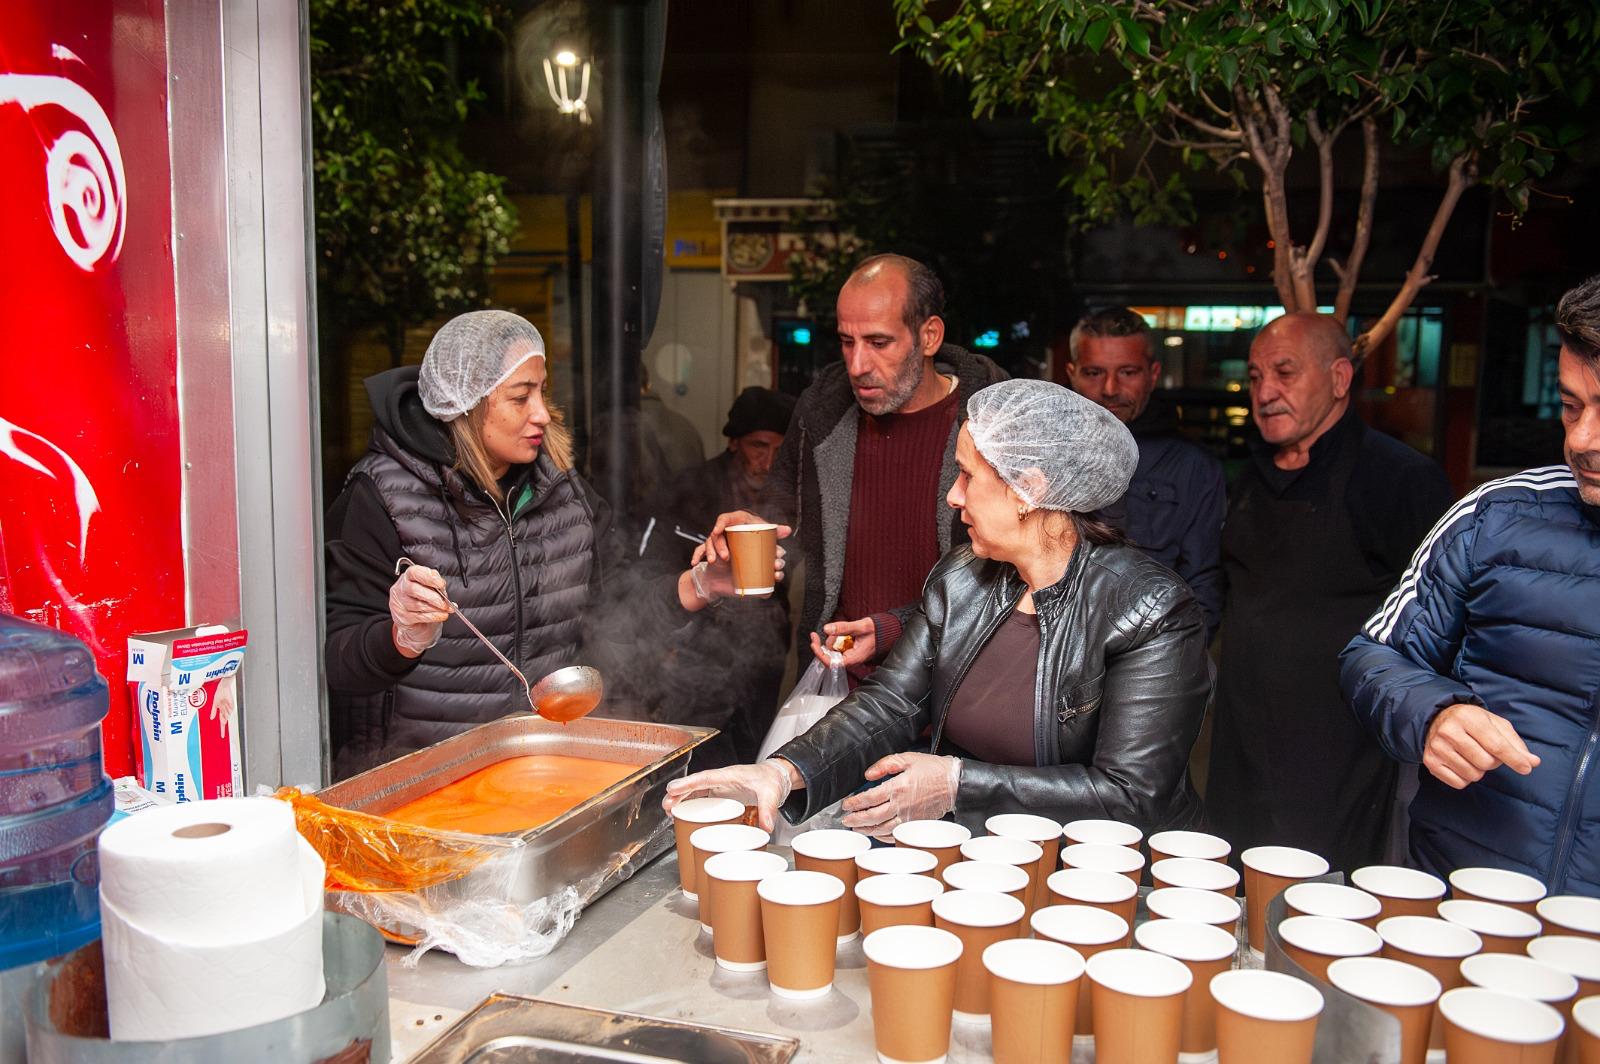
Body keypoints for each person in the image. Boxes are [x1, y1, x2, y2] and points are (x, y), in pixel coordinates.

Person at [663, 379, 1213, 837]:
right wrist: (784, 772)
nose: (954, 495)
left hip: (1093, 879)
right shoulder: (961, 577)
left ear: (1028, 489)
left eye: (968, 475)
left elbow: (1132, 795)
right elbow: (888, 704)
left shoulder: (1149, 609)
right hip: (972, 859)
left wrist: (956, 784)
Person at [323, 311, 769, 776]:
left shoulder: (564, 491)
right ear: (465, 404)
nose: (541, 413)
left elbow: (619, 608)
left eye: (542, 391)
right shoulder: (381, 497)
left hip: (541, 765)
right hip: (425, 776)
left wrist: (701, 584)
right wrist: (401, 637)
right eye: (521, 397)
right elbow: (335, 662)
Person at [1341, 276, 1600, 893]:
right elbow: (1374, 656)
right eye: (1571, 406)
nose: (1582, 439)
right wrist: (1433, 712)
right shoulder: (1495, 517)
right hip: (1465, 898)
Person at [1205, 312, 1454, 873]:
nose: (1264, 393)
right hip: (1242, 736)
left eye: (1285, 373)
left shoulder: (1398, 477)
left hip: (1340, 747)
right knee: (1234, 881)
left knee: (1322, 892)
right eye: (1255, 377)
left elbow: (1442, 619)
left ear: (1340, 378)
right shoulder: (1250, 475)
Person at [701, 253, 1007, 680]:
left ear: (929, 336)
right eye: (847, 342)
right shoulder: (822, 410)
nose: (858, 365)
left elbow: (1008, 576)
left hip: (954, 681)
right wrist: (750, 530)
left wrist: (892, 630)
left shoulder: (994, 421)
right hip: (840, 678)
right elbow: (782, 516)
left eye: (879, 343)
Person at [632, 387, 798, 767]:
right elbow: (643, 574)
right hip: (691, 657)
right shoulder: (688, 490)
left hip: (763, 655)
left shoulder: (787, 499)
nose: (768, 461)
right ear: (734, 442)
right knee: (695, 764)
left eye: (779, 449)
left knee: (755, 757)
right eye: (758, 446)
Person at [1065, 306, 1226, 632]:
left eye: (1128, 372)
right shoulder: (1046, 451)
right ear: (1072, 373)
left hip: (1150, 648)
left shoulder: (1192, 467)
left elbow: (1203, 585)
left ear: (1153, 374)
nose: (1110, 388)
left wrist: (1172, 659)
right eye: (1094, 372)